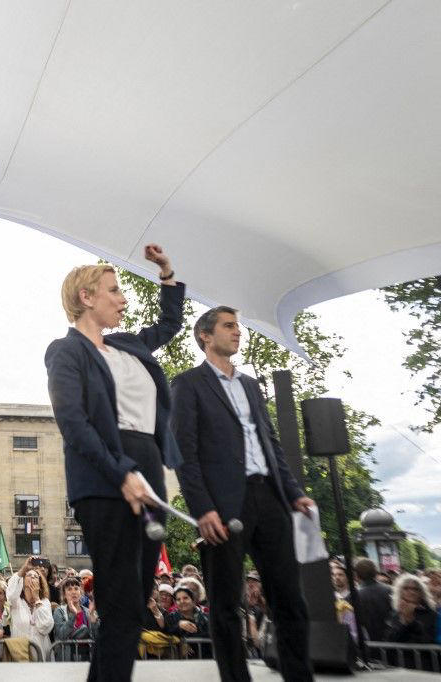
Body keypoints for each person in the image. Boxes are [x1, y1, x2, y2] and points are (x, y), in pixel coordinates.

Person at [45, 246, 185, 681]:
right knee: (122, 600)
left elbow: (170, 323)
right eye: (114, 290)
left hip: (149, 468)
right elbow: (73, 421)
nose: (123, 299)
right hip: (104, 478)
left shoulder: (128, 344)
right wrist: (121, 472)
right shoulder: (65, 352)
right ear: (87, 297)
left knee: (134, 600)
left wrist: (166, 274)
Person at [171, 305, 316, 682]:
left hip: (269, 498)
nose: (238, 332)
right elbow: (184, 454)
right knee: (224, 607)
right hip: (222, 507)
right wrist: (202, 508)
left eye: (238, 326)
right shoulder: (187, 384)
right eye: (229, 326)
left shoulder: (252, 385)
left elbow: (271, 443)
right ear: (205, 335)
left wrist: (293, 491)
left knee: (289, 598)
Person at [6, 559, 54, 660]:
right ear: (22, 582)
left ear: (40, 584)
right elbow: (10, 594)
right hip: (20, 652)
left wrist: (37, 599)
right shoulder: (16, 601)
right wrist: (23, 570)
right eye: (28, 575)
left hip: (41, 652)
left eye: (35, 576)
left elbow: (45, 627)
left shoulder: (45, 602)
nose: (32, 577)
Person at [53, 576, 96, 661]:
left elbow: (96, 636)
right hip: (68, 657)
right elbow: (61, 635)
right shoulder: (59, 611)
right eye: (69, 589)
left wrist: (92, 616)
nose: (73, 592)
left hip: (87, 657)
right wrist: (73, 615)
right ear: (64, 595)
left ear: (80, 592)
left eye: (76, 588)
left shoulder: (87, 611)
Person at [384, 574, 437, 644]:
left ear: (421, 593)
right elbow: (390, 641)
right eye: (406, 588)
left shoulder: (431, 614)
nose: (411, 592)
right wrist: (404, 623)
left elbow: (429, 641)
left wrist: (412, 622)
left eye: (416, 589)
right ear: (400, 591)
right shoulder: (395, 614)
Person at [353, 557, 393, 642]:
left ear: (356, 575)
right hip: (392, 642)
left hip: (368, 645)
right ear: (376, 572)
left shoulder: (353, 596)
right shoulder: (390, 590)